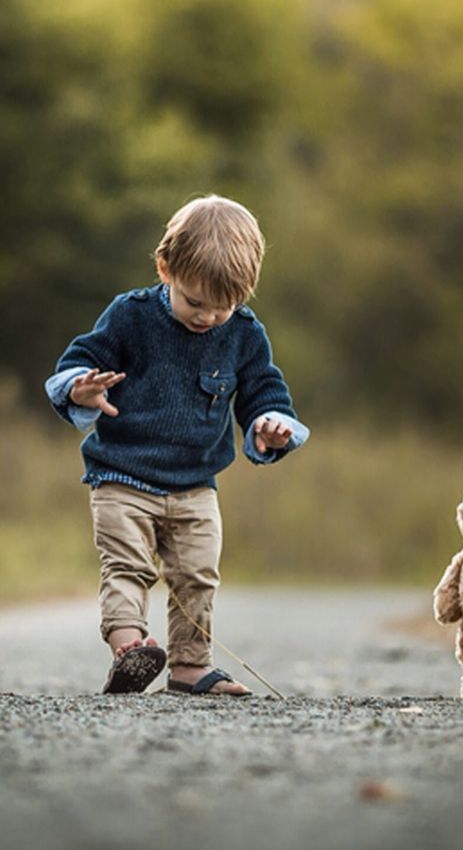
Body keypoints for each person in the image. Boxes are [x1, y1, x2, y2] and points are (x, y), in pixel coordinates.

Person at [45, 195, 309, 697]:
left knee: (198, 575)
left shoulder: (246, 335)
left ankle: (190, 667)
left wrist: (270, 424)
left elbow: (263, 393)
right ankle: (130, 648)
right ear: (166, 269)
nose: (208, 317)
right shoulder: (130, 315)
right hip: (121, 476)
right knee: (128, 566)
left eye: (223, 306)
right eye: (194, 302)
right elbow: (79, 359)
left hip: (194, 486)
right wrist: (81, 386)